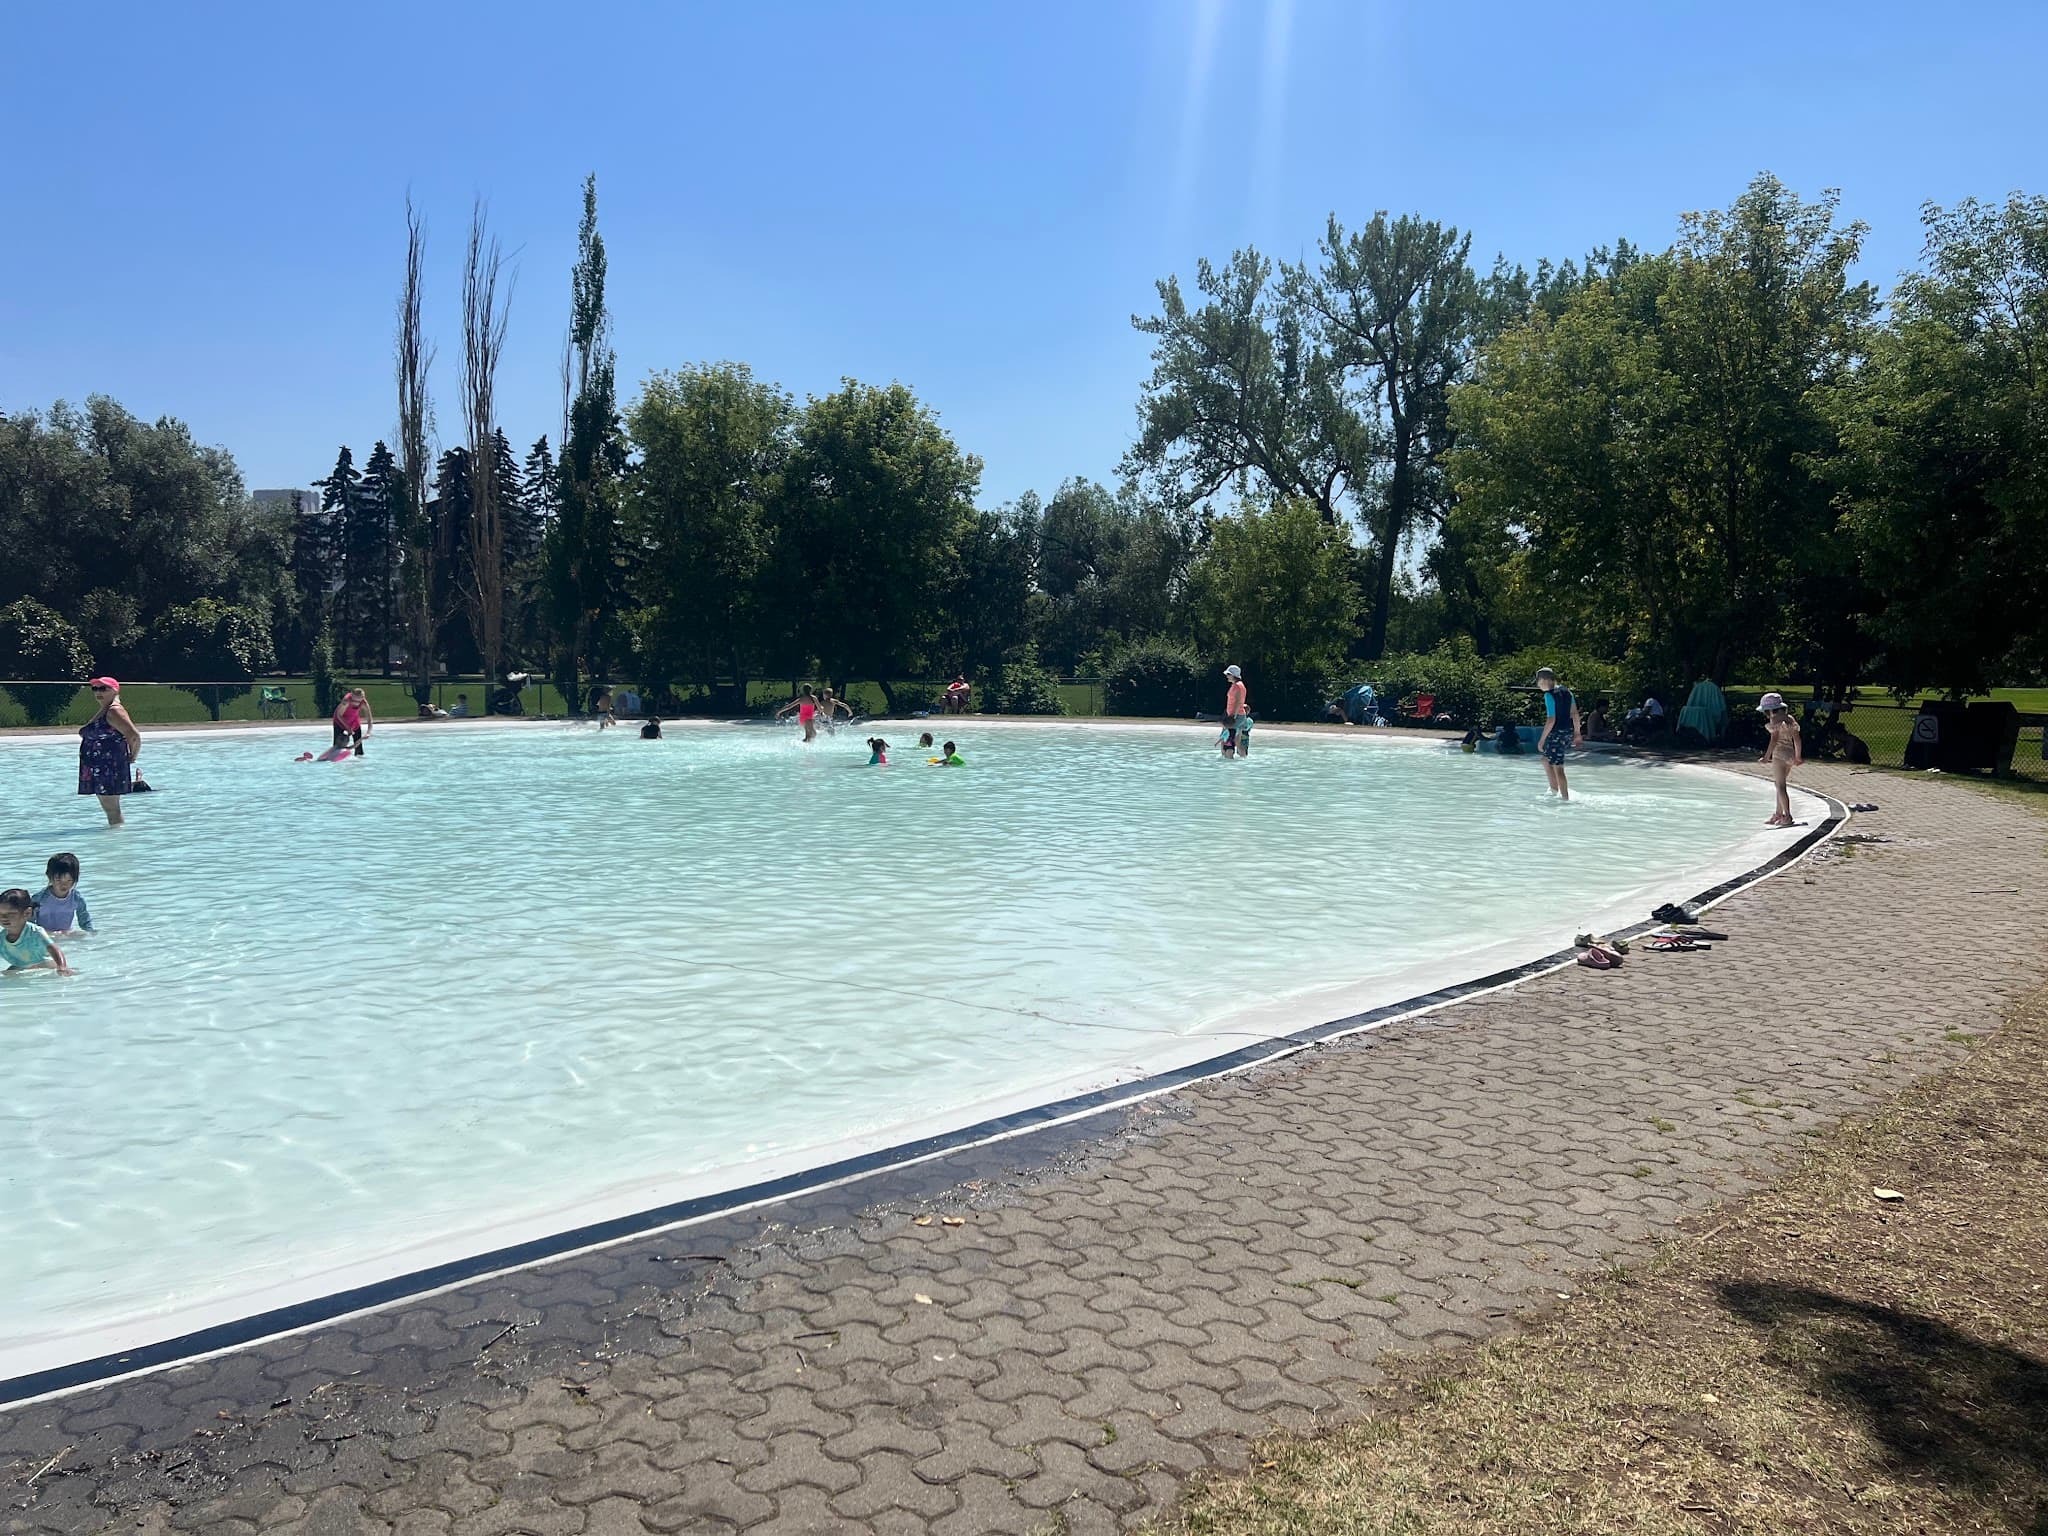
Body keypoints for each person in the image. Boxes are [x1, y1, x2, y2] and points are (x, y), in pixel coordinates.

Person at [78, 677, 140, 826]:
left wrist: (132, 756)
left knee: (112, 809)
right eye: (95, 689)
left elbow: (134, 736)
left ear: (115, 690)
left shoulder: (114, 711)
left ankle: (117, 836)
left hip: (108, 766)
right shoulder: (106, 710)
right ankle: (115, 833)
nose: (98, 692)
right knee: (109, 809)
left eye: (103, 688)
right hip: (100, 765)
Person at [1535, 667, 1582, 799]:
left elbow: (1551, 720)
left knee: (1558, 767)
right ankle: (1554, 791)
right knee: (1546, 760)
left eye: (1538, 682)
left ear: (1544, 680)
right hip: (1567, 732)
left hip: (1556, 733)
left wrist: (1541, 740)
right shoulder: (1568, 692)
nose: (1538, 685)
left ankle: (1565, 798)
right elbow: (1575, 714)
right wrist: (1577, 733)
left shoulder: (1549, 695)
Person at [1757, 692, 1803, 826]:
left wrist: (1766, 757)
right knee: (1778, 784)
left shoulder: (1774, 720)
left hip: (1779, 756)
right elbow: (1797, 740)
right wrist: (1798, 757)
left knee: (1781, 786)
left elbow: (1774, 740)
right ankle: (1778, 813)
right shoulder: (1790, 719)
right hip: (1790, 755)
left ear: (1770, 710)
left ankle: (1787, 815)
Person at [1, 888, 72, 975]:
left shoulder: (35, 931)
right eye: (0, 914)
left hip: (45, 964)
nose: (4, 918)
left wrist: (62, 966)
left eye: (11, 914)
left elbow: (54, 949)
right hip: (21, 966)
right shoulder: (2, 938)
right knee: (5, 976)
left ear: (27, 913)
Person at [33, 853, 94, 935]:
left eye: (69, 880)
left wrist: (92, 935)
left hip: (65, 935)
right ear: (49, 876)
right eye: (58, 880)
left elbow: (85, 922)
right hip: (46, 937)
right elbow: (29, 924)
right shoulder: (39, 899)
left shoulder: (76, 898)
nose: (64, 885)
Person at [1220, 664, 1250, 759]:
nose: (1227, 676)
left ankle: (1229, 760)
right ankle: (1243, 758)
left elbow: (1238, 702)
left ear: (1234, 675)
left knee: (1227, 740)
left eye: (1228, 674)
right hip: (1239, 715)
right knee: (1237, 740)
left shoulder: (1237, 686)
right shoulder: (1237, 685)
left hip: (1236, 715)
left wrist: (1233, 716)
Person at [331, 688, 372, 756]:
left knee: (359, 746)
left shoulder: (364, 703)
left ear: (362, 698)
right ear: (352, 696)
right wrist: (348, 728)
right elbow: (339, 715)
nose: (356, 703)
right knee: (337, 744)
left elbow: (369, 719)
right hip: (339, 721)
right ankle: (333, 754)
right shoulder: (346, 701)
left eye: (358, 701)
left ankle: (359, 757)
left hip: (354, 722)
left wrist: (368, 732)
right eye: (354, 700)